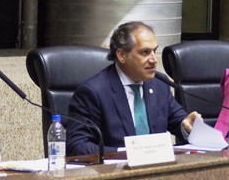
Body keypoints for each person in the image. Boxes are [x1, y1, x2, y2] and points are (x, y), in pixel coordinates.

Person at [66, 21, 200, 156]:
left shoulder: (159, 84)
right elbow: (77, 146)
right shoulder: (93, 92)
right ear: (122, 55)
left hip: (157, 171)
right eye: (145, 52)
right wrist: (130, 153)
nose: (154, 59)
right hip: (117, 173)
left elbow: (177, 121)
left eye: (154, 51)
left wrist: (187, 125)